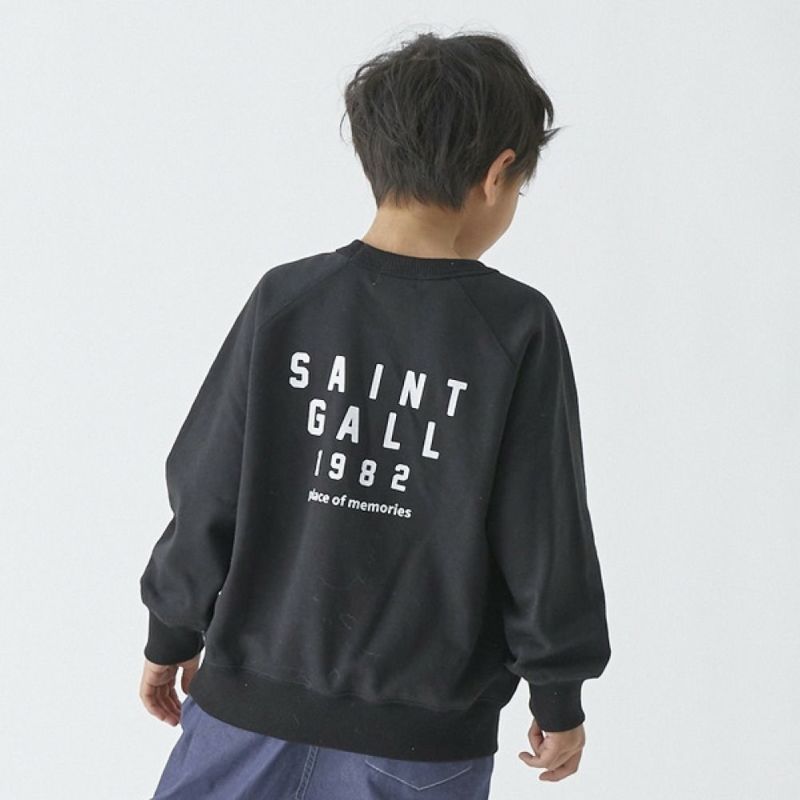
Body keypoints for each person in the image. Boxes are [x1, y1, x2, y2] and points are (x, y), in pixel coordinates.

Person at [139, 29, 612, 800]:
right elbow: (543, 532)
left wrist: (171, 630)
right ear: (497, 174)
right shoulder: (513, 329)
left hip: (244, 711)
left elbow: (206, 487)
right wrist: (558, 693)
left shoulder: (287, 301)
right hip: (420, 742)